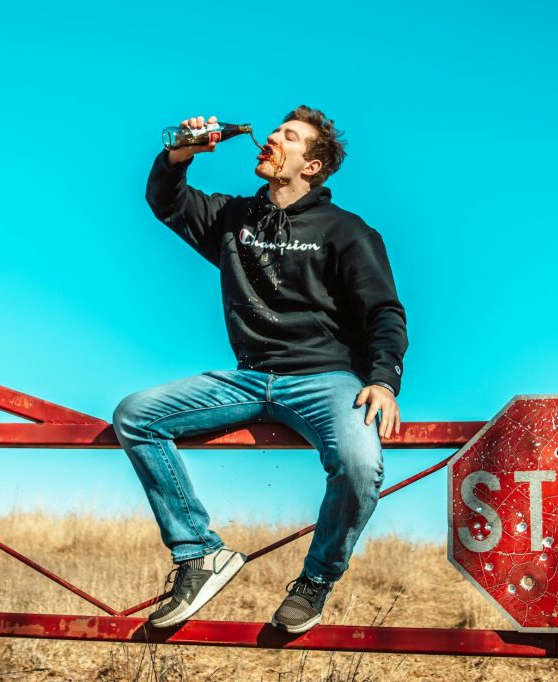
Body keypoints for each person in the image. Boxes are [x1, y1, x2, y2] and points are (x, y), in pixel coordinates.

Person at [112, 106, 408, 634]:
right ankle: (199, 552)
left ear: (311, 166)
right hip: (248, 377)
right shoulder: (234, 218)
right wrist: (180, 152)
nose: (272, 137)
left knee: (361, 467)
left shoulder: (349, 232)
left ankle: (316, 581)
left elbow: (384, 311)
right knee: (135, 415)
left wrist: (384, 380)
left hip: (325, 379)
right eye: (274, 131)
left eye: (288, 137)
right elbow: (166, 201)